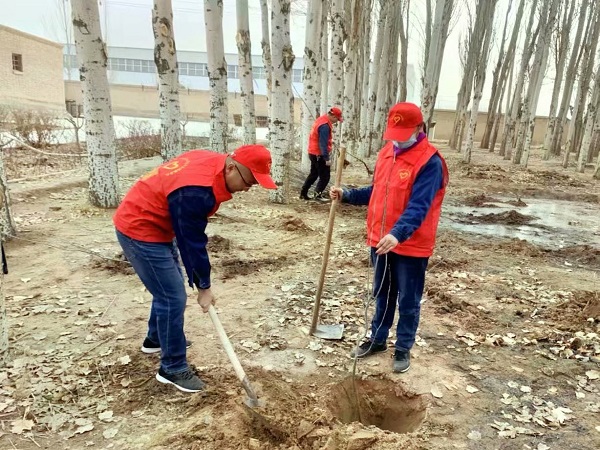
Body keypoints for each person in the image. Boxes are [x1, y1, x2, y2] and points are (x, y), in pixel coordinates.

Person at [113, 145, 277, 392]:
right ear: (231, 167)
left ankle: (155, 339)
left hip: (159, 221)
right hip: (141, 227)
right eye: (249, 181)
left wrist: (199, 280)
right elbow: (192, 243)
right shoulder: (195, 191)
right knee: (172, 297)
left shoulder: (215, 163)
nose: (247, 189)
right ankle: (173, 368)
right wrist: (204, 287)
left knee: (168, 287)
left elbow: (187, 231)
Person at [330, 102, 448, 373]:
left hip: (411, 244)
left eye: (404, 131)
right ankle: (378, 339)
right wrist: (348, 195)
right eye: (394, 131)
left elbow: (420, 205)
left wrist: (398, 234)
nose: (397, 137)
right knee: (382, 292)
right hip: (380, 241)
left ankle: (403, 347)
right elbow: (379, 191)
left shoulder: (430, 162)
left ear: (419, 128)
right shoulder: (387, 153)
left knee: (408, 298)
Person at [300, 107, 343, 201]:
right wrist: (326, 158)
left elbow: (321, 139)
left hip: (312, 152)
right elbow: (322, 143)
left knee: (313, 174)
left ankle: (303, 193)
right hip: (319, 154)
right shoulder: (325, 126)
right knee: (325, 176)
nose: (336, 122)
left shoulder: (321, 119)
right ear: (333, 116)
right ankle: (317, 195)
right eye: (336, 119)